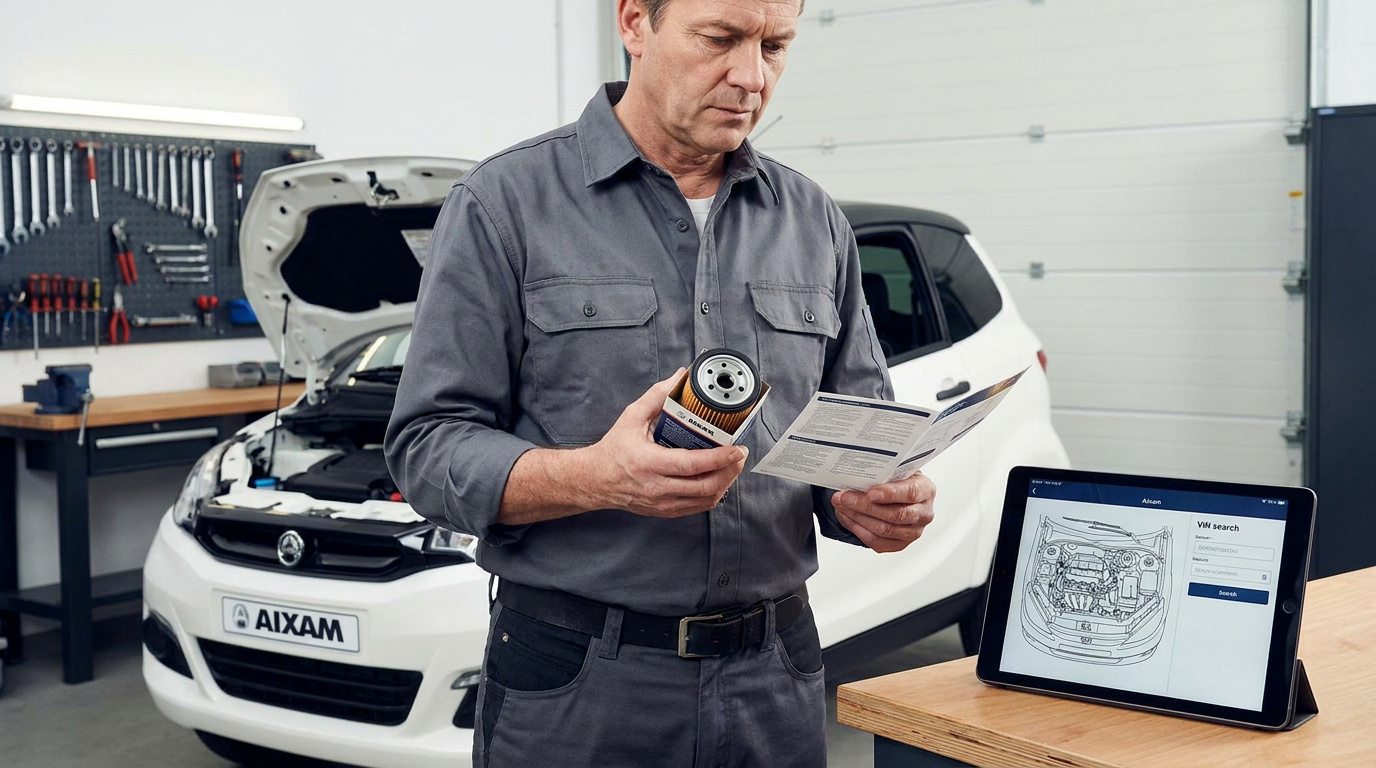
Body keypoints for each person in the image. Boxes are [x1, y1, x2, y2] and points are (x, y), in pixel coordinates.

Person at [384, 0, 937, 765]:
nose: (751, 76)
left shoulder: (813, 221)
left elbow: (854, 438)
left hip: (775, 676)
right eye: (720, 38)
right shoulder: (504, 204)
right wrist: (595, 477)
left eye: (775, 46)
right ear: (634, 23)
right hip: (579, 684)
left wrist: (870, 504)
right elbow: (426, 447)